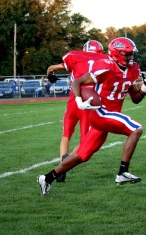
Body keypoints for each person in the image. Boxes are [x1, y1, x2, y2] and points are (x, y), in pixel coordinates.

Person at [38, 37, 146, 195]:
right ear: (117, 54)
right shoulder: (106, 66)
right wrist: (79, 101)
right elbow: (77, 82)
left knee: (81, 156)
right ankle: (122, 173)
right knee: (136, 129)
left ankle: (47, 178)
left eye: (132, 54)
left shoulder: (132, 70)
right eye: (128, 54)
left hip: (109, 115)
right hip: (101, 112)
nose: (131, 57)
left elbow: (136, 99)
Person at [46, 40, 107, 182]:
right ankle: (64, 166)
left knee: (66, 135)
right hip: (88, 103)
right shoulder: (104, 61)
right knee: (84, 141)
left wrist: (51, 77)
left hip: (74, 101)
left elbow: (51, 68)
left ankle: (62, 161)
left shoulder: (76, 58)